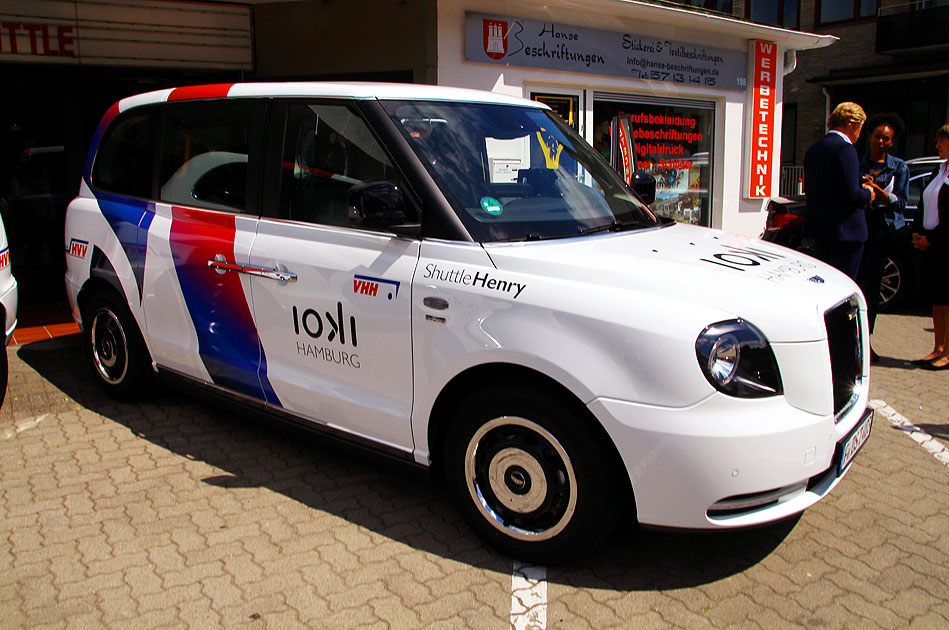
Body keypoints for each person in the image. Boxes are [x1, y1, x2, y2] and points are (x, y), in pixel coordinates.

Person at [803, 102, 881, 280]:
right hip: (846, 232)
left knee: (824, 283)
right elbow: (851, 193)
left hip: (820, 229)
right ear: (854, 124)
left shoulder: (814, 149)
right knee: (843, 284)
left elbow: (811, 189)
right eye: (860, 127)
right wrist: (868, 193)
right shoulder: (845, 149)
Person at [857, 113, 909, 362]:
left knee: (872, 286)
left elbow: (902, 202)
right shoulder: (858, 164)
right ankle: (853, 340)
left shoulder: (899, 167)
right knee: (855, 283)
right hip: (859, 228)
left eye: (886, 139)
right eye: (877, 136)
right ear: (869, 137)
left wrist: (882, 195)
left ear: (891, 142)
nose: (880, 142)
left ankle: (867, 340)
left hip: (882, 230)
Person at [911, 123, 949, 370]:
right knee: (938, 300)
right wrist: (918, 232)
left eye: (940, 141)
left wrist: (932, 239)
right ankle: (938, 348)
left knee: (948, 300)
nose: (936, 145)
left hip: (945, 245)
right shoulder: (941, 171)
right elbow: (926, 204)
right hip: (934, 247)